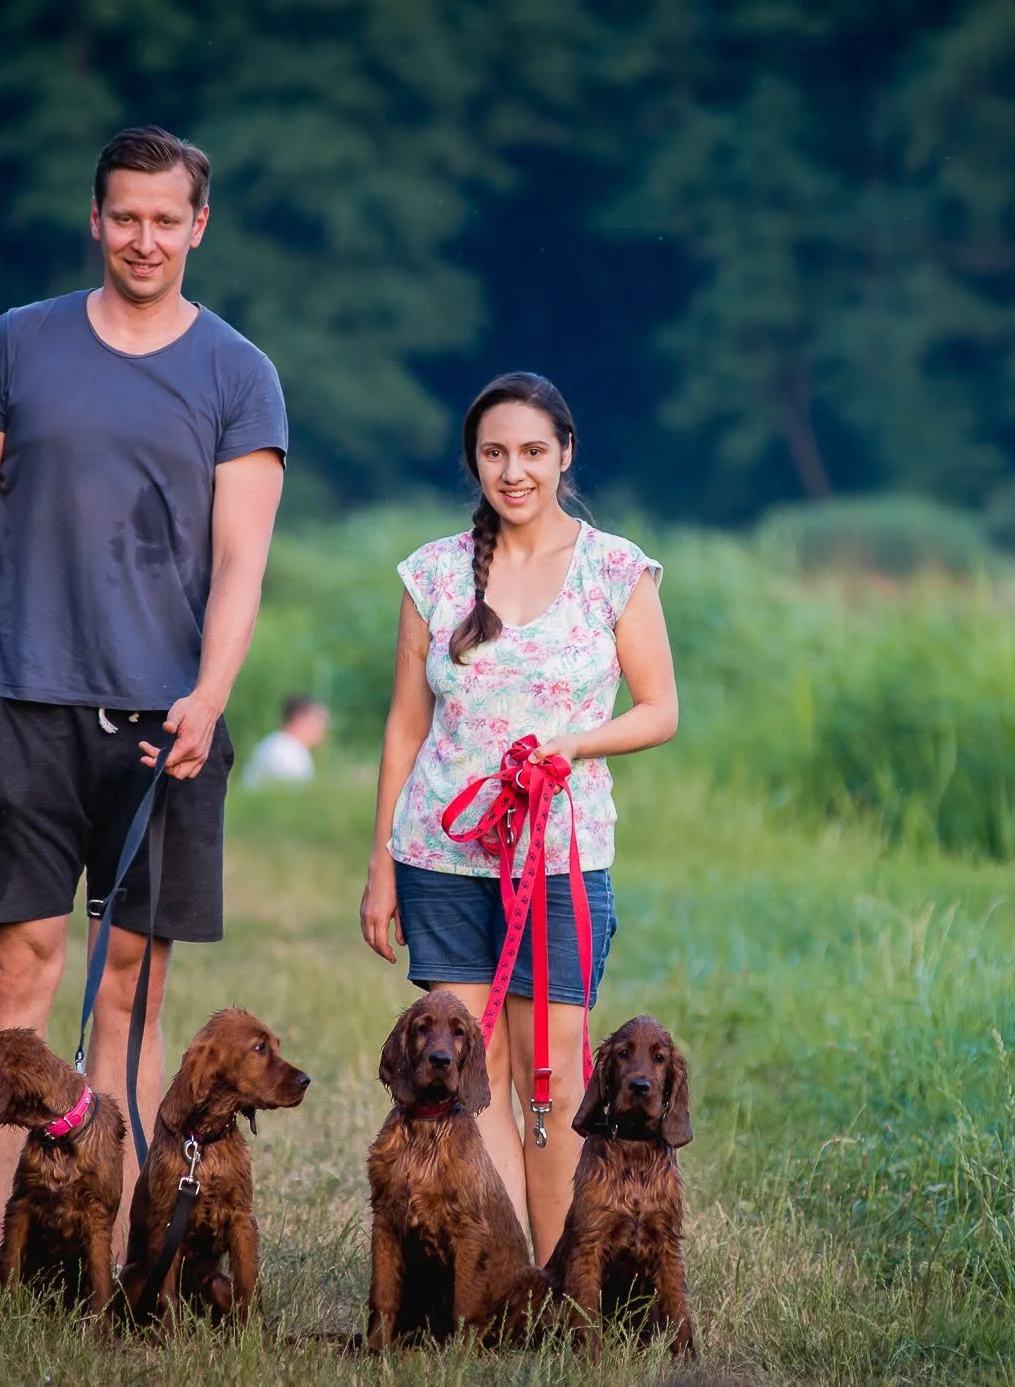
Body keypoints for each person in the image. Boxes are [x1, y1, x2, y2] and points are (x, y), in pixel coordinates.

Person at [0, 125, 287, 1271]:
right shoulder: (13, 347)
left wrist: (209, 694)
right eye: (124, 215)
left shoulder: (238, 373)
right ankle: (8, 1245)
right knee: (21, 971)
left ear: (198, 227)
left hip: (164, 726)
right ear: (95, 218)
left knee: (127, 983)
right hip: (20, 702)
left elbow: (241, 563)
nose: (143, 237)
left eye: (165, 219)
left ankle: (119, 1256)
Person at [359, 371, 679, 1263]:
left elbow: (659, 709)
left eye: (533, 451)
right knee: (469, 1075)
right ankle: (498, 1281)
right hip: (440, 854)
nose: (514, 471)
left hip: (561, 856)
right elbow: (402, 725)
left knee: (555, 1075)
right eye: (495, 452)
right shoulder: (431, 572)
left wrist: (573, 745)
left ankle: (563, 1273)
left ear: (565, 454)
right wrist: (382, 861)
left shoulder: (617, 568)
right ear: (475, 460)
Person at [241, 694, 328, 789]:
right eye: (318, 721)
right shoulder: (285, 753)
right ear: (299, 719)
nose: (322, 729)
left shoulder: (283, 746)